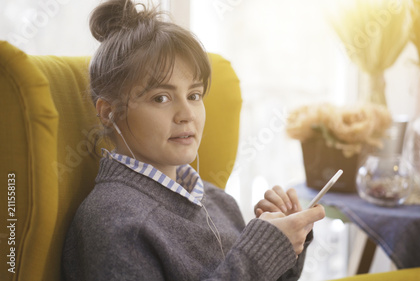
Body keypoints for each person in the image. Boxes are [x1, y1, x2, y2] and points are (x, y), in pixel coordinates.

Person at [62, 0, 325, 280]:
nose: (187, 114)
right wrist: (259, 253)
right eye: (161, 98)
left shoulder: (218, 201)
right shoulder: (112, 221)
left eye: (194, 95)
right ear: (108, 112)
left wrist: (284, 241)